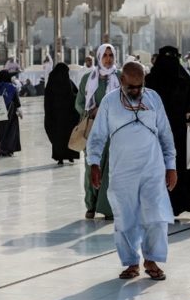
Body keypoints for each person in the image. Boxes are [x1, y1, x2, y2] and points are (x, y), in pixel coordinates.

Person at [86, 61, 177, 281]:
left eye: (140, 86)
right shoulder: (109, 102)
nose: (136, 91)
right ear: (122, 80)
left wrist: (171, 166)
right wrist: (94, 164)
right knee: (125, 217)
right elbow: (97, 136)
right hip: (122, 170)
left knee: (156, 215)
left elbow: (165, 133)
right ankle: (131, 262)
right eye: (131, 87)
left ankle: (152, 260)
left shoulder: (153, 98)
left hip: (152, 168)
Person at [145, 45, 190, 217]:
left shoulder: (151, 80)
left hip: (161, 134)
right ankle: (174, 205)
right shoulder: (183, 80)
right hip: (171, 134)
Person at [76, 44, 121, 219]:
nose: (108, 59)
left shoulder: (119, 77)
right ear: (99, 57)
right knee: (92, 167)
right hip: (93, 129)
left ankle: (108, 206)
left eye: (111, 55)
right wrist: (90, 111)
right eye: (105, 55)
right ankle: (91, 204)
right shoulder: (89, 78)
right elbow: (79, 102)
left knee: (111, 168)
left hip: (114, 130)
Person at [44, 62, 80, 165]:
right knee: (68, 137)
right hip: (69, 118)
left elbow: (47, 101)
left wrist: (48, 115)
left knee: (58, 137)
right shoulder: (68, 82)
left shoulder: (51, 84)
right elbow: (76, 96)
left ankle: (59, 157)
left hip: (56, 118)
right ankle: (70, 156)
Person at [0, 70, 22, 157]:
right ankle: (9, 150)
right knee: (11, 132)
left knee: (1, 132)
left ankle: (2, 150)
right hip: (10, 113)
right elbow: (16, 101)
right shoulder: (12, 88)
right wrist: (20, 111)